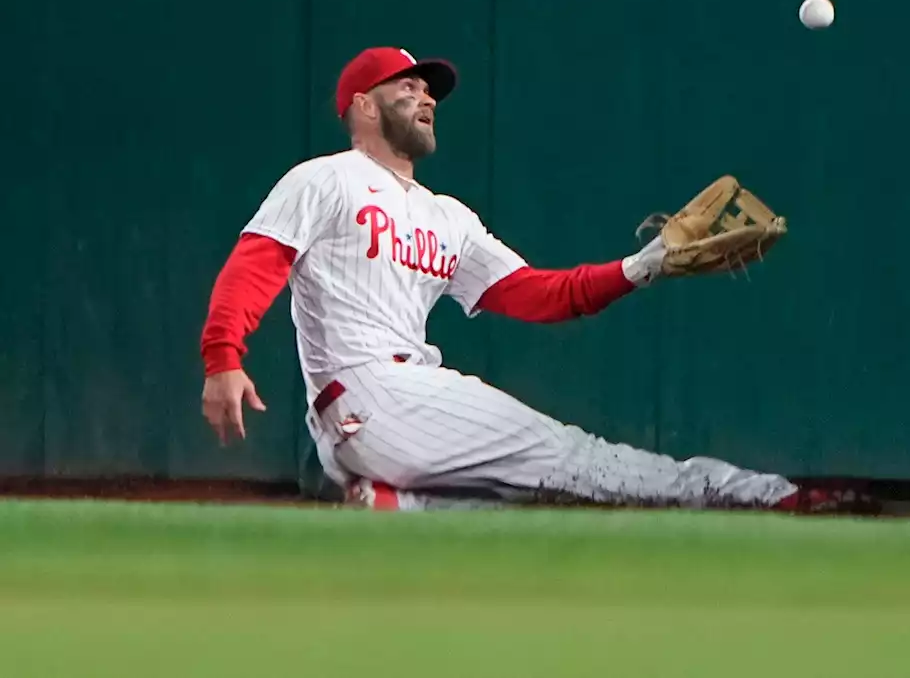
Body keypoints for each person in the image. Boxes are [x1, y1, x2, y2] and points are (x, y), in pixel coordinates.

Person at [199, 46, 863, 513]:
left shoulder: (447, 217)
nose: (426, 95)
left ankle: (397, 504)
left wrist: (645, 264)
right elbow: (257, 265)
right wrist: (224, 358)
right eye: (408, 86)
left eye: (429, 89)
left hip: (392, 407)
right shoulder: (327, 177)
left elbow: (540, 295)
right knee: (577, 462)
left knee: (533, 498)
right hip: (370, 388)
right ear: (362, 106)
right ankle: (764, 494)